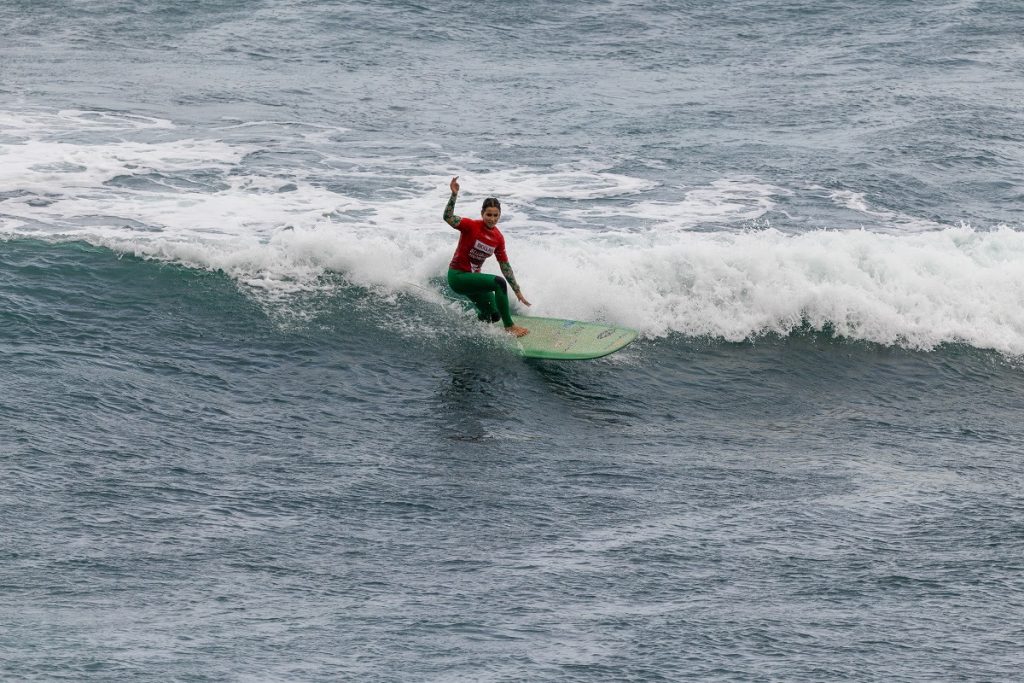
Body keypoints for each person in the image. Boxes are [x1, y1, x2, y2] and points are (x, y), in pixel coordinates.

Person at [443, 176, 530, 337]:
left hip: (473, 280)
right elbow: (448, 217)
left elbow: (505, 265)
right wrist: (454, 195)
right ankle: (509, 326)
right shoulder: (471, 226)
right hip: (458, 276)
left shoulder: (498, 238)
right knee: (498, 283)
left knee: (493, 315)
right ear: (482, 213)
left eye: (495, 215)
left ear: (499, 215)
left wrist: (517, 291)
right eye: (488, 215)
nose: (492, 219)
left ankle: (473, 328)